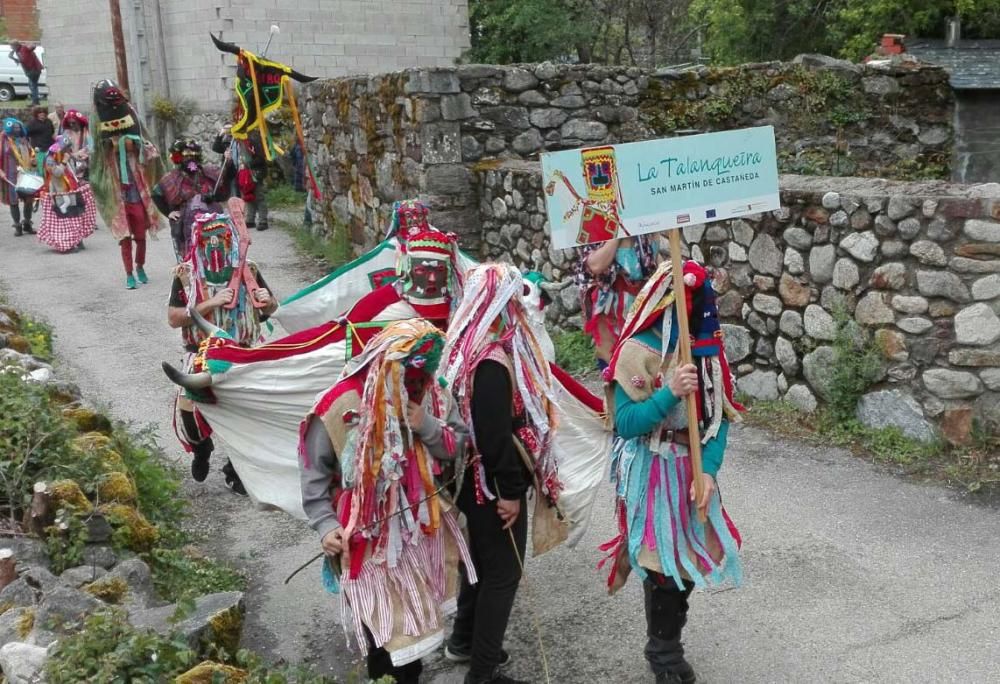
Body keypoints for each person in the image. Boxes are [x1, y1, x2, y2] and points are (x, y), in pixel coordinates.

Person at [300, 319, 473, 684]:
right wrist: (326, 526)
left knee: (412, 631)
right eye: (404, 370)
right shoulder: (340, 404)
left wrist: (424, 422)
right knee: (380, 631)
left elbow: (455, 447)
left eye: (422, 368)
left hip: (418, 533)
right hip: (363, 538)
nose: (415, 380)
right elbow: (314, 476)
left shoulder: (433, 393)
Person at [602, 259, 744, 684]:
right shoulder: (635, 351)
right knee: (661, 563)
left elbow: (718, 420)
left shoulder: (706, 355)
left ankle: (667, 643)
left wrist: (710, 471)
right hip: (652, 469)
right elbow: (626, 423)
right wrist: (669, 394)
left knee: (686, 564)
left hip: (692, 472)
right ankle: (664, 653)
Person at [441, 262, 560, 684]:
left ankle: (465, 641)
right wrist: (510, 491)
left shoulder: (469, 349)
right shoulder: (491, 363)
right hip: (489, 488)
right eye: (514, 300)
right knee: (503, 575)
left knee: (479, 565)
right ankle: (483, 671)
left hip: (474, 485)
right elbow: (493, 439)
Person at [167, 209, 276, 494]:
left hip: (245, 351)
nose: (215, 245)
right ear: (197, 240)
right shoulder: (186, 276)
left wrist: (268, 302)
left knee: (248, 414)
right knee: (188, 412)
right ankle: (201, 448)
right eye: (208, 239)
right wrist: (210, 303)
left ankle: (237, 470)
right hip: (202, 351)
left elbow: (270, 309)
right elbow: (173, 318)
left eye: (222, 238)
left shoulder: (249, 270)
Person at [89, 79, 164, 290]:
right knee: (124, 237)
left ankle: (140, 266)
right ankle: (129, 273)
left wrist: (132, 144)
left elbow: (143, 140)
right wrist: (110, 147)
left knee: (140, 235)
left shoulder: (129, 111)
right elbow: (95, 153)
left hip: (135, 187)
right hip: (116, 189)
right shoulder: (96, 118)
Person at [574, 235, 659, 368]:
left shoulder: (646, 232)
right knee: (614, 365)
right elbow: (596, 265)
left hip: (642, 306)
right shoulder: (598, 232)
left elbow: (653, 262)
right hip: (610, 309)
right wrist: (618, 232)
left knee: (645, 361)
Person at [152, 138, 228, 260]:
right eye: (186, 155)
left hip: (209, 222)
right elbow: (156, 194)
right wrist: (169, 212)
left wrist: (227, 161)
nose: (190, 158)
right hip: (184, 224)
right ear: (179, 157)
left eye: (194, 155)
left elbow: (223, 188)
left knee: (212, 257)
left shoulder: (208, 173)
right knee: (189, 260)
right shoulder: (172, 178)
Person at [37, 135, 96, 252]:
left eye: (69, 147)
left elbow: (74, 168)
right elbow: (57, 173)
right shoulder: (50, 158)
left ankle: (78, 240)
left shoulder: (66, 155)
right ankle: (66, 245)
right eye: (66, 148)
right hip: (60, 192)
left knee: (75, 214)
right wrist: (64, 161)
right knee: (66, 218)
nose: (68, 150)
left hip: (72, 189)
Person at [0, 117, 38, 236]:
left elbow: (31, 151)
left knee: (29, 199)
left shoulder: (23, 139)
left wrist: (33, 160)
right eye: (14, 128)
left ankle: (27, 223)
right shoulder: (3, 139)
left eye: (18, 127)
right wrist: (0, 171)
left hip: (26, 174)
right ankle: (17, 225)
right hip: (10, 174)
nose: (16, 130)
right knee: (13, 200)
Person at [8, 41, 42, 106]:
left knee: (33, 85)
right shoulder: (18, 51)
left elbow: (23, 60)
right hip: (32, 70)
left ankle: (35, 102)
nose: (11, 48)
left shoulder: (23, 49)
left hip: (33, 70)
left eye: (12, 46)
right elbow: (22, 60)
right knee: (32, 85)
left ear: (16, 45)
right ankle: (36, 101)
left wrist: (12, 58)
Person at [60, 109, 91, 180]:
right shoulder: (66, 133)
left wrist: (82, 153)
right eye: (69, 123)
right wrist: (72, 155)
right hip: (72, 163)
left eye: (73, 123)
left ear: (79, 121)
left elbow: (92, 146)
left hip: (86, 163)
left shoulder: (86, 131)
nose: (71, 125)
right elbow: (62, 147)